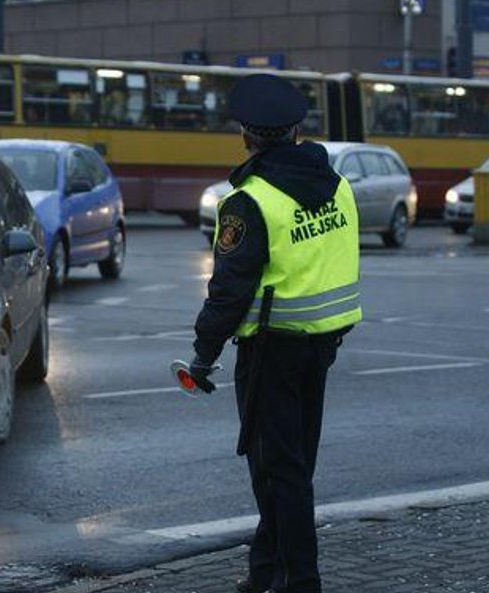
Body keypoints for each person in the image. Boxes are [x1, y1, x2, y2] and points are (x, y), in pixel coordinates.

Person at [189, 74, 362, 593]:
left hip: (271, 350)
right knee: (291, 466)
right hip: (322, 344)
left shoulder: (249, 202)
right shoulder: (337, 184)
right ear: (295, 130)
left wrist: (202, 354)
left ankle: (300, 581)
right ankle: (264, 572)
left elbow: (229, 291)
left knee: (277, 472)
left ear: (247, 135)